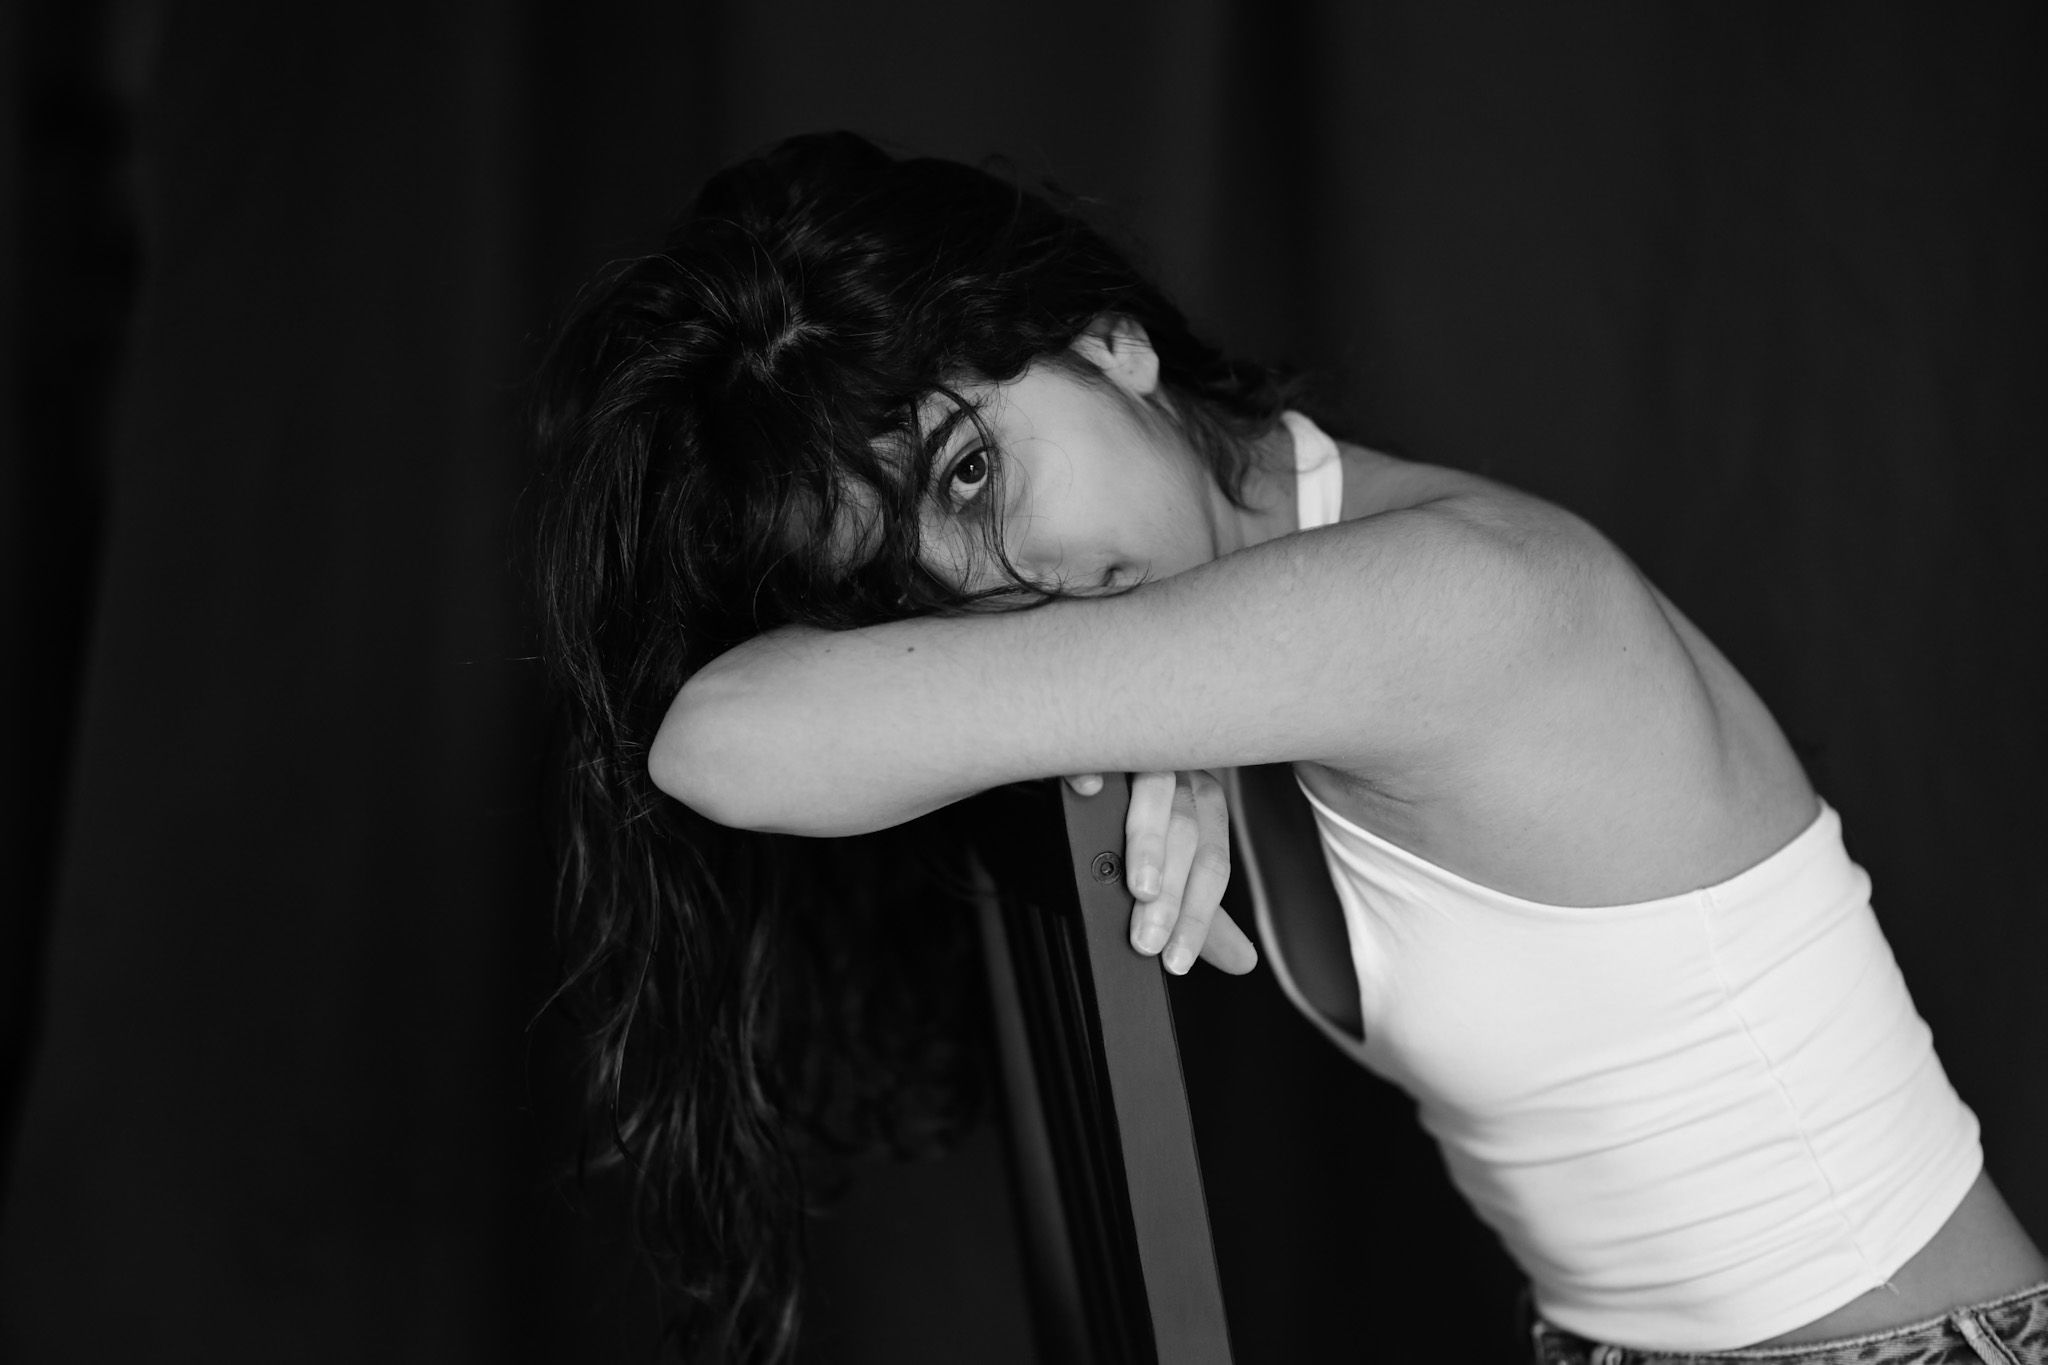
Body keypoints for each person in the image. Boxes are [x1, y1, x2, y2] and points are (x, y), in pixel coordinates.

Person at [529, 130, 2047, 1364]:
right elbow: (733, 739)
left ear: (1110, 340)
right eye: (907, 590)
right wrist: (1149, 728)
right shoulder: (1245, 626)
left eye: (975, 470)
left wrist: (1112, 710)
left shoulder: (1453, 597)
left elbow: (722, 736)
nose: (1003, 589)